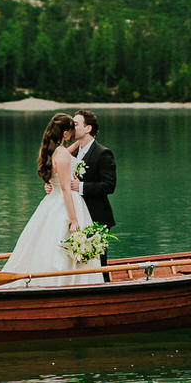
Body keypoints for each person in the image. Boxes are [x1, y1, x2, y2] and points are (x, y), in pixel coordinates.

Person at [2, 113, 104, 286]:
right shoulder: (62, 154)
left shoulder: (49, 151)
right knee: (63, 245)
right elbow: (65, 188)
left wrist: (84, 139)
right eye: (71, 132)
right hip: (66, 202)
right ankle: (64, 283)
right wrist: (73, 220)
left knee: (45, 243)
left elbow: (66, 155)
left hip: (51, 202)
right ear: (65, 134)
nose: (72, 135)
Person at [67, 109, 116, 280]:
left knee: (99, 263)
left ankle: (106, 292)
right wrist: (51, 186)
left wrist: (81, 187)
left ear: (88, 128)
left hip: (97, 216)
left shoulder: (103, 153)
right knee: (77, 260)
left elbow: (109, 186)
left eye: (76, 124)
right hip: (76, 215)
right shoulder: (72, 152)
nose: (72, 127)